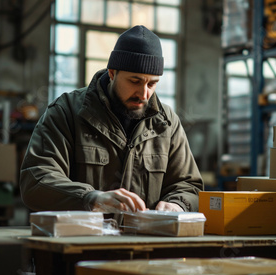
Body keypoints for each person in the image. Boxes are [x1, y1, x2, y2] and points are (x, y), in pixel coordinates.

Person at [20, 25, 203, 214]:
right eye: (135, 81)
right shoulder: (66, 112)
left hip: (145, 241)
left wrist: (178, 204)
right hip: (82, 241)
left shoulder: (167, 124)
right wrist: (90, 198)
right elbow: (36, 181)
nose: (143, 94)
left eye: (152, 83)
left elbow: (189, 186)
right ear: (112, 73)